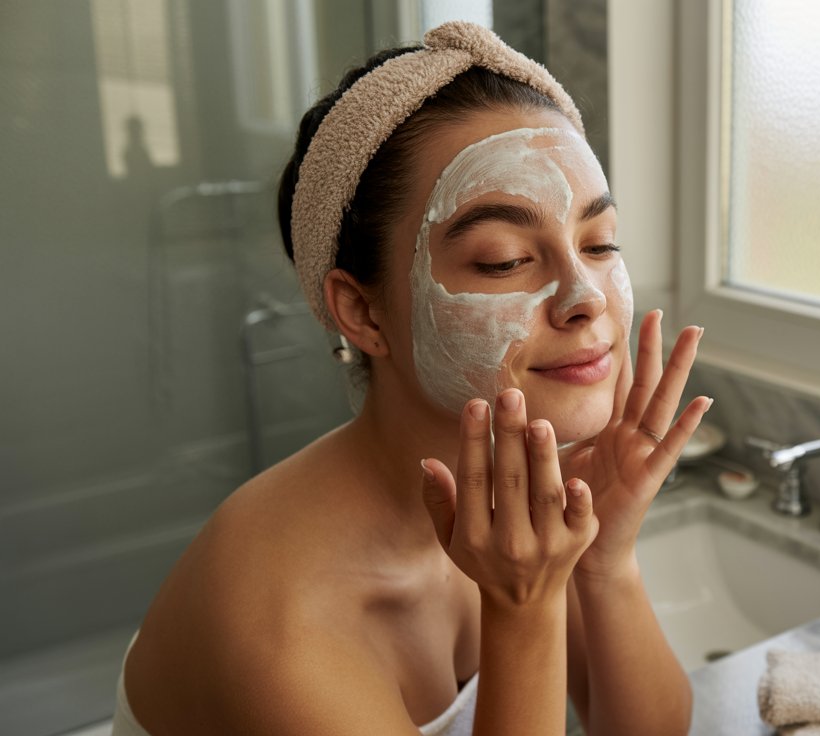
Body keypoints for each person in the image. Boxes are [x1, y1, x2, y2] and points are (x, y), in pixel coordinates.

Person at [112, 22, 707, 736]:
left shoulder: (513, 501)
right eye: (504, 258)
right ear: (362, 312)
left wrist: (605, 561)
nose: (586, 297)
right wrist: (523, 607)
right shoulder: (278, 617)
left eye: (599, 242)